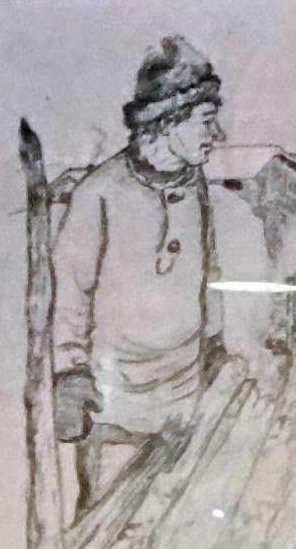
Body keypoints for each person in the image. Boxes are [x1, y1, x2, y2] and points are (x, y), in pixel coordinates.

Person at [51, 36, 228, 517]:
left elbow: (207, 268)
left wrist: (214, 339)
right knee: (107, 525)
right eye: (207, 121)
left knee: (172, 524)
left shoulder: (195, 185)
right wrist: (69, 374)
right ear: (169, 122)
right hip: (116, 405)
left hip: (185, 397)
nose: (218, 135)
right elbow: (68, 293)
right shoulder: (99, 193)